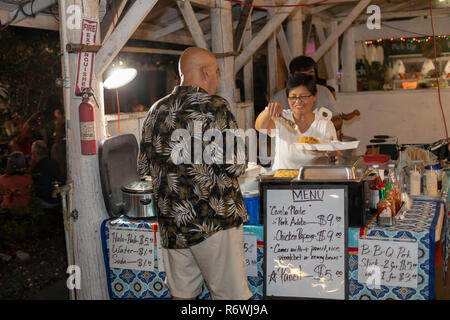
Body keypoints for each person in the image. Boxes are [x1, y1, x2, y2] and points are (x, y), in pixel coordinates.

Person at [138, 47, 252, 300]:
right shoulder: (214, 106)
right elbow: (237, 164)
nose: (217, 79)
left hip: (172, 223)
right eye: (216, 72)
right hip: (213, 221)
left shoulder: (156, 110)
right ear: (204, 72)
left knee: (182, 295)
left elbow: (144, 167)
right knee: (230, 298)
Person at [255, 73, 338, 170]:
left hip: (313, 180)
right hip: (283, 180)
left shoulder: (325, 125)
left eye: (303, 96)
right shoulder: (282, 118)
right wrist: (269, 110)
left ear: (314, 96)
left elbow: (335, 157)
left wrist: (329, 151)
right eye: (293, 97)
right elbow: (259, 127)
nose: (298, 101)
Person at [272, 56, 343, 132]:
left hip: (320, 142)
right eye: (301, 74)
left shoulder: (324, 92)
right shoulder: (278, 98)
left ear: (314, 96)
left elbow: (338, 120)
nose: (307, 78)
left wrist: (319, 130)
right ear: (291, 76)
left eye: (311, 73)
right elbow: (266, 128)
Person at [30, 140, 61, 208]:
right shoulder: (54, 162)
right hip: (59, 199)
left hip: (47, 201)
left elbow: (32, 185)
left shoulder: (38, 168)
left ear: (34, 153)